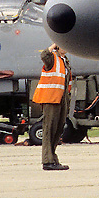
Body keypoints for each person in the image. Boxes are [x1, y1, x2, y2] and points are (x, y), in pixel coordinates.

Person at [33, 43, 71, 171]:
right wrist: (55, 43)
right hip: (50, 99)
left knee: (58, 129)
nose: (66, 47)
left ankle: (53, 159)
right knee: (49, 129)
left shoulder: (64, 61)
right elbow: (44, 55)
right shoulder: (52, 58)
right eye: (63, 45)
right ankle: (47, 161)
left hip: (61, 99)